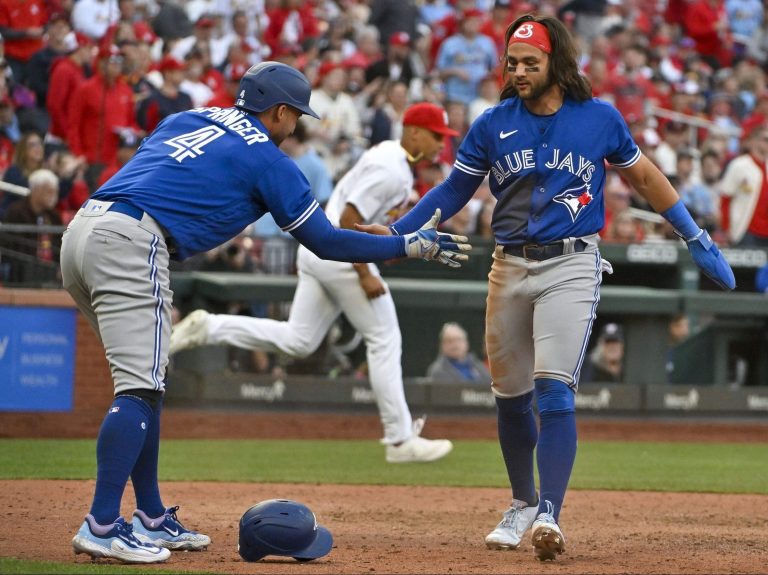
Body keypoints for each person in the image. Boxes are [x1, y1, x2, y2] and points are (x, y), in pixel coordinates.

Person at [357, 15, 735, 562]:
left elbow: (645, 177)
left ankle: (550, 515)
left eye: (530, 62)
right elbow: (456, 187)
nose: (518, 71)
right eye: (513, 62)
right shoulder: (492, 123)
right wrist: (398, 233)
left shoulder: (598, 118)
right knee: (510, 400)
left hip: (572, 263)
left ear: (556, 63)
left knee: (554, 390)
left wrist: (694, 233)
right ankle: (521, 502)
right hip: (508, 264)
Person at [60, 61, 468, 564]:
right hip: (134, 242)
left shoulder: (189, 117)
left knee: (149, 384)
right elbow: (324, 240)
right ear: (278, 111)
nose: (295, 126)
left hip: (83, 230)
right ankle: (101, 523)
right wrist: (408, 245)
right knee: (140, 389)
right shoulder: (269, 159)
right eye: (295, 115)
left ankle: (150, 515)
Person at [170, 101, 460, 464]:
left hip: (316, 251)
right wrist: (365, 271)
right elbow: (350, 217)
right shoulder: (393, 168)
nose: (440, 145)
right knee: (384, 338)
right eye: (436, 137)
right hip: (340, 254)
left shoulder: (390, 155)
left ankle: (208, 327)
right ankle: (400, 439)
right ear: (414, 131)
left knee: (299, 340)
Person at [426, 322, 491, 385]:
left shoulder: (479, 367)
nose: (455, 345)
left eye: (459, 340)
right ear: (442, 345)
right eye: (450, 341)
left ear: (466, 343)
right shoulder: (438, 371)